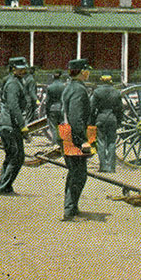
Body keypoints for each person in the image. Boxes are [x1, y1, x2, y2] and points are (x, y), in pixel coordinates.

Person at [60, 58, 92, 221]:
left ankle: (72, 206)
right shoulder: (79, 90)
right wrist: (82, 141)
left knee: (75, 172)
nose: (89, 73)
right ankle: (69, 211)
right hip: (74, 137)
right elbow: (76, 117)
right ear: (81, 72)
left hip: (66, 133)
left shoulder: (70, 88)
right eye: (87, 70)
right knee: (79, 174)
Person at [0, 57, 29, 195]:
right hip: (10, 124)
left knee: (11, 156)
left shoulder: (15, 82)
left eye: (24, 68)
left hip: (8, 123)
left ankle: (4, 185)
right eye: (19, 68)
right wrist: (23, 126)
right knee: (17, 157)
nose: (23, 71)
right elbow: (14, 107)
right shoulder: (13, 84)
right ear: (13, 69)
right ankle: (4, 187)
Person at [90, 74, 123, 173]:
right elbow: (120, 109)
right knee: (112, 142)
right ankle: (111, 167)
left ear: (101, 81)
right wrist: (119, 121)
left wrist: (92, 121)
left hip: (101, 117)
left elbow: (92, 108)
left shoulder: (97, 92)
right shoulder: (116, 92)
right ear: (111, 81)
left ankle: (103, 166)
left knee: (101, 142)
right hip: (112, 118)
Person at [43, 71, 66, 144]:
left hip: (52, 109)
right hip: (61, 108)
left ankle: (55, 142)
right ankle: (60, 143)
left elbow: (47, 101)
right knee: (60, 126)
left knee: (53, 127)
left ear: (53, 77)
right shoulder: (63, 87)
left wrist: (46, 111)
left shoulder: (50, 87)